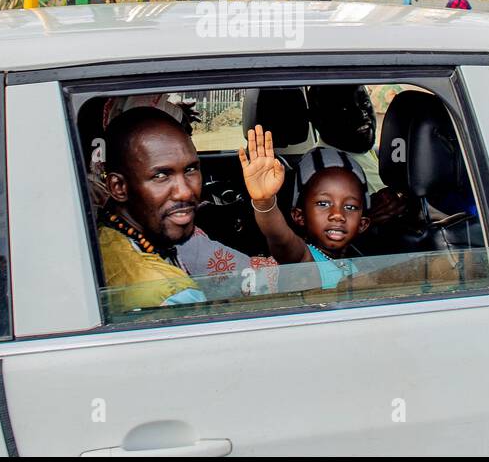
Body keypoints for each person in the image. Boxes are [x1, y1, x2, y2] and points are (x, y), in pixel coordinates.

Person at [96, 107, 268, 313]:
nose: (185, 192)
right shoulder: (176, 297)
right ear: (118, 187)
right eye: (161, 176)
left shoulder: (105, 233)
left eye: (190, 169)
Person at [239, 128, 370, 289]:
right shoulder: (302, 258)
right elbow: (280, 237)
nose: (337, 215)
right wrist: (264, 203)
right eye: (323, 204)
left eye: (350, 207)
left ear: (363, 224)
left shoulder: (350, 264)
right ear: (299, 216)